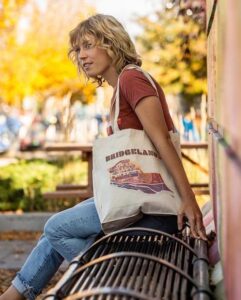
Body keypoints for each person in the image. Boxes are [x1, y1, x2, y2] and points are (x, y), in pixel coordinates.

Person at [0, 14, 207, 300]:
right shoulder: (120, 88)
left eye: (88, 45)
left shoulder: (132, 80)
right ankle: (16, 295)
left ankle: (105, 270)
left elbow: (162, 141)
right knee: (54, 234)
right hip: (136, 200)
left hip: (153, 210)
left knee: (55, 228)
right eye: (77, 50)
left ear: (110, 43)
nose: (81, 56)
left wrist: (189, 199)